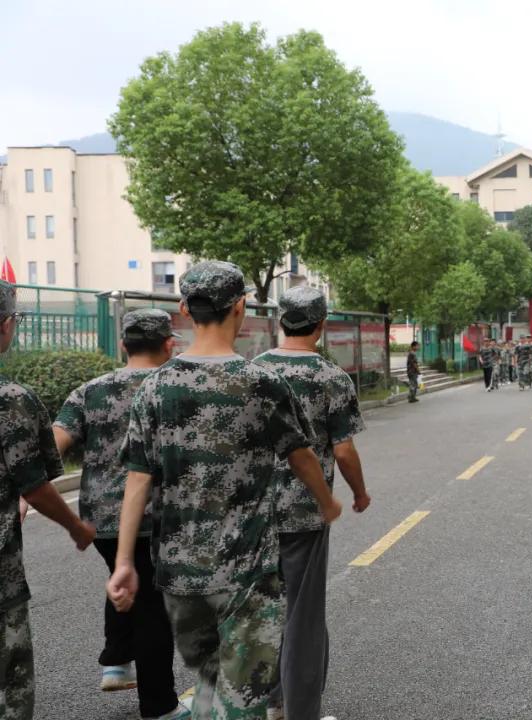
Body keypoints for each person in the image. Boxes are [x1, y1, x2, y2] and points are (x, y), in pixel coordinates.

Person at [107, 261, 343, 718]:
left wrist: (123, 563)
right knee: (242, 697)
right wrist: (327, 501)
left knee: (211, 682)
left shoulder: (155, 387)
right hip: (246, 574)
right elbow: (300, 456)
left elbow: (138, 479)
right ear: (240, 307)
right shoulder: (262, 383)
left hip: (180, 577)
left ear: (183, 310)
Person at [52, 309, 188, 720]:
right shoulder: (175, 388)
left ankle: (116, 660)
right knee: (153, 607)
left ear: (123, 344)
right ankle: (160, 705)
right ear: (169, 344)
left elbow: (54, 444)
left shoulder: (89, 391)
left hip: (100, 518)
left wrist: (26, 493)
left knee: (124, 575)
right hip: (156, 516)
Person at [254, 286, 371, 719]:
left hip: (251, 516)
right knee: (302, 616)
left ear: (279, 320)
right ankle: (301, 711)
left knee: (261, 610)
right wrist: (358, 493)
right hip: (304, 511)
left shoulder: (252, 370)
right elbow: (343, 450)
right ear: (321, 324)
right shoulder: (331, 377)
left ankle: (272, 702)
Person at [0, 280, 97, 720]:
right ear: (5, 325)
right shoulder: (11, 401)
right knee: (11, 685)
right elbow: (34, 486)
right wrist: (76, 527)